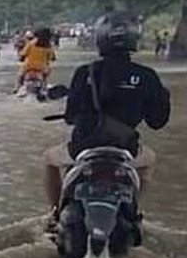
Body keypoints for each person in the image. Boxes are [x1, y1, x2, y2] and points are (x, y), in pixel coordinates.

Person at [43, 12, 171, 227]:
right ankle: (135, 212)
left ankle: (55, 213)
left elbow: (71, 116)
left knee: (48, 159)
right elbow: (157, 122)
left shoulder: (85, 72)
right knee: (148, 161)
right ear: (133, 39)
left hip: (83, 147)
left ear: (100, 39)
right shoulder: (147, 76)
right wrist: (163, 97)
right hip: (125, 149)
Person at [16, 27, 57, 92]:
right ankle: (44, 89)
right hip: (42, 69)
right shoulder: (48, 46)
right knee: (45, 79)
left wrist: (21, 58)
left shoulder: (31, 43)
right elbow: (53, 58)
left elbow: (22, 55)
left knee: (19, 77)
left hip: (28, 68)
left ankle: (17, 89)